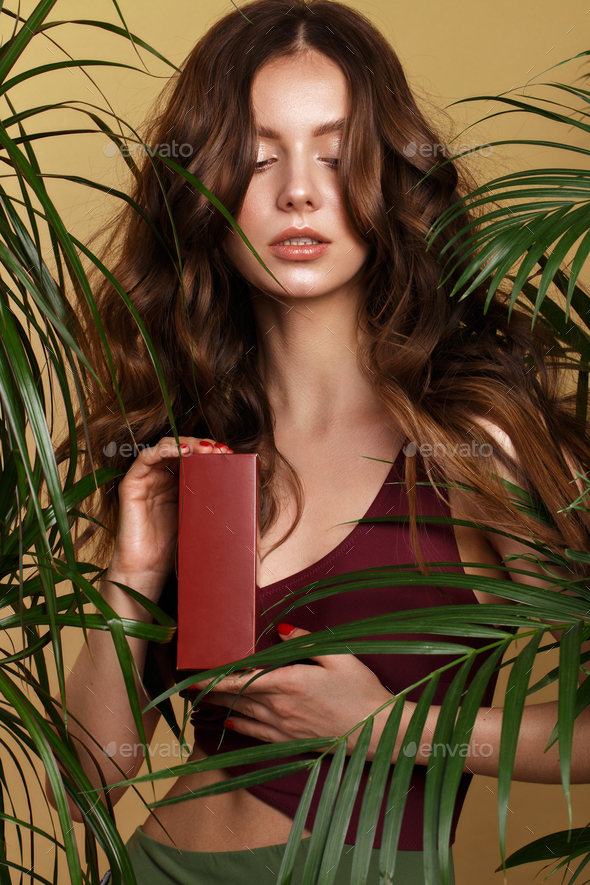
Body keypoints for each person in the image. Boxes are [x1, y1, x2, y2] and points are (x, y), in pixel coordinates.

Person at [47, 0, 590, 883]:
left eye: (337, 157)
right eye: (258, 156)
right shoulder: (199, 444)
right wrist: (135, 569)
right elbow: (84, 781)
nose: (298, 190)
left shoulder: (472, 442)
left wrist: (389, 728)